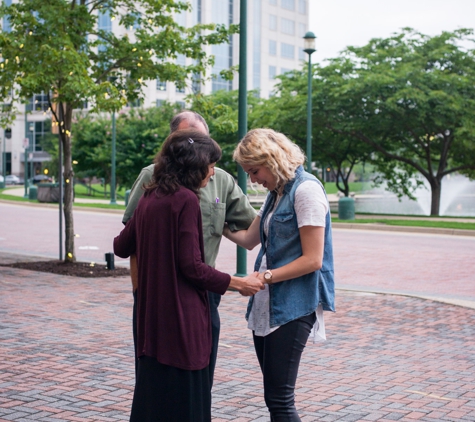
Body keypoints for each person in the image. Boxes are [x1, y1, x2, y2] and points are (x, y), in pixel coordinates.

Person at [114, 129, 264, 422]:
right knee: (189, 401)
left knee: (154, 396)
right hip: (183, 318)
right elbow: (191, 266)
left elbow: (120, 246)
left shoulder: (149, 196)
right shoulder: (185, 200)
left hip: (151, 316)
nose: (212, 173)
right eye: (209, 166)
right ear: (193, 167)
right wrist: (238, 283)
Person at [223, 128, 335, 422]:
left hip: (294, 304)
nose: (253, 180)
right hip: (268, 303)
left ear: (271, 159)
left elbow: (313, 260)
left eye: (254, 171)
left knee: (280, 398)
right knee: (274, 397)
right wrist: (213, 221)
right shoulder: (276, 193)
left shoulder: (306, 190)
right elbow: (249, 238)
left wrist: (265, 278)